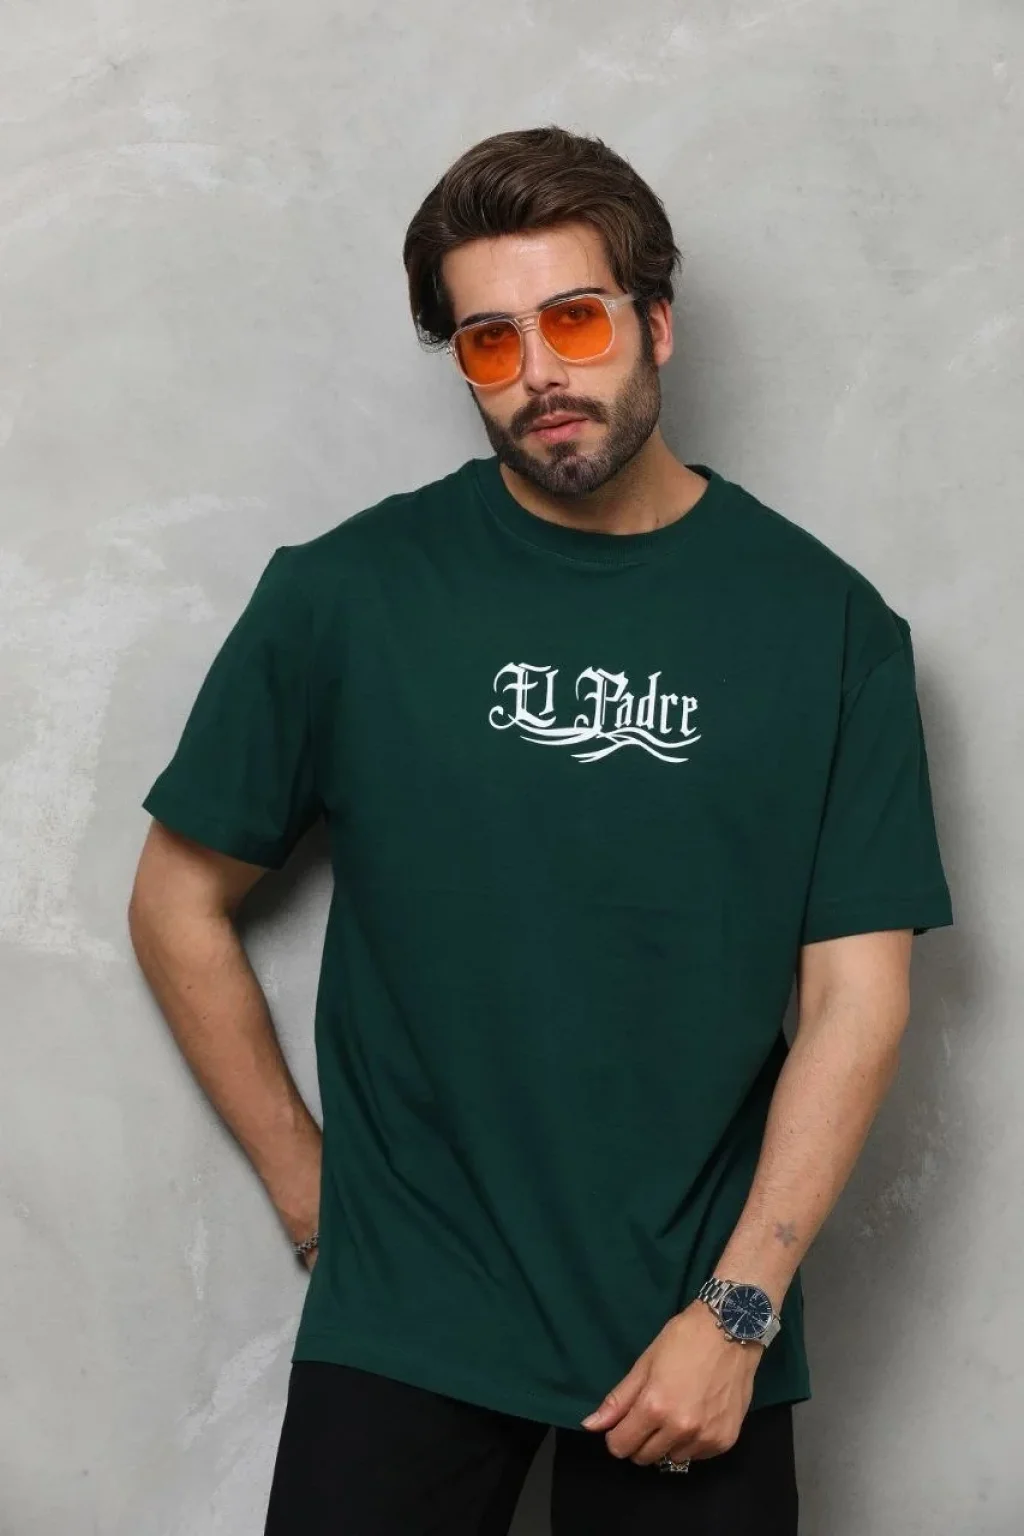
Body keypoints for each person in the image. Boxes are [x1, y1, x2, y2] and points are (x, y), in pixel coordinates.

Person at [128, 125, 954, 1535]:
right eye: (489, 340)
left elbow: (856, 1002)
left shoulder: (829, 631)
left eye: (574, 319)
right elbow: (174, 900)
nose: (540, 374)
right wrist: (314, 1193)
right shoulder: (347, 597)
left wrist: (741, 1310)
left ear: (655, 322)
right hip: (407, 1319)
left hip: (693, 1331)